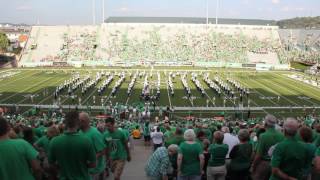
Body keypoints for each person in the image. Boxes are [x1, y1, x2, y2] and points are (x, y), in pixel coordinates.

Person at [48, 111, 96, 180]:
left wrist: (62, 168)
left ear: (65, 123)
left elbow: (51, 164)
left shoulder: (54, 141)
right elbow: (93, 164)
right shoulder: (86, 141)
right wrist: (81, 166)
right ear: (78, 122)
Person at [251, 114, 284, 180]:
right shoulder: (281, 135)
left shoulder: (263, 136)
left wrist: (253, 166)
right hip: (278, 164)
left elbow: (258, 155)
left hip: (265, 163)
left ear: (266, 123)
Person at [79, 112, 106, 180]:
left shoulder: (95, 134)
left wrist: (92, 159)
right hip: (83, 169)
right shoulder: (79, 132)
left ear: (83, 121)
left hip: (94, 171)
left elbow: (102, 151)